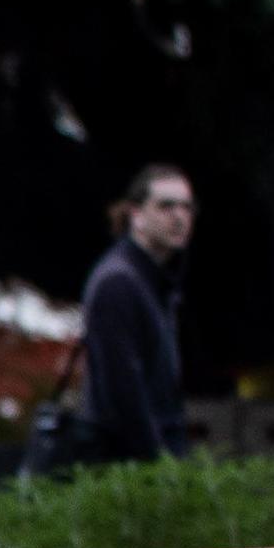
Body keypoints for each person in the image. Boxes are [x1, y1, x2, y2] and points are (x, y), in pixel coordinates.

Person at [81, 165, 194, 463]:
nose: (179, 216)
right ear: (136, 215)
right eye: (166, 206)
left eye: (186, 207)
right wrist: (158, 464)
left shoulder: (152, 281)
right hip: (126, 469)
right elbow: (123, 393)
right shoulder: (119, 281)